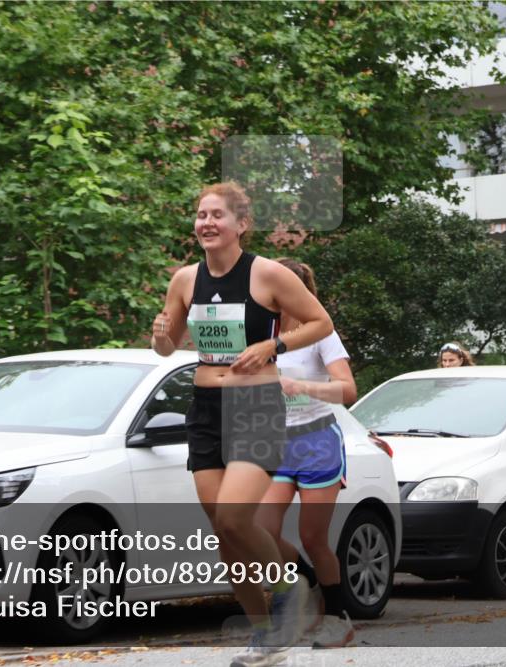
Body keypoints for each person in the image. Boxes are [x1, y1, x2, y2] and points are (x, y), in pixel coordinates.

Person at [152, 182, 334, 667]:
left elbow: (321, 323)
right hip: (206, 409)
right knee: (224, 531)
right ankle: (267, 638)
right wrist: (161, 338)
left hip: (255, 404)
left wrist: (273, 346)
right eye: (200, 215)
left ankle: (289, 589)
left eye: (217, 215)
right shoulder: (184, 279)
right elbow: (168, 346)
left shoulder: (268, 274)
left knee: (235, 516)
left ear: (241, 225)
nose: (206, 223)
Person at [257, 258, 358, 649]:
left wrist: (303, 387)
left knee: (313, 537)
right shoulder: (261, 333)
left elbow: (347, 390)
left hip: (318, 443)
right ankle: (308, 580)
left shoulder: (321, 335)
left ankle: (336, 618)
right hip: (276, 443)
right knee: (263, 529)